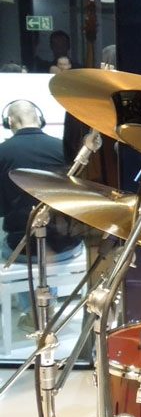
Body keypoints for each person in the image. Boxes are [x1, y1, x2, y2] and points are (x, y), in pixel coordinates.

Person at [0, 100, 82, 328]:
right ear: (39, 119)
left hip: (23, 249)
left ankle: (32, 311)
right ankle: (48, 302)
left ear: (10, 122)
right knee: (46, 244)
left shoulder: (2, 153)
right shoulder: (63, 149)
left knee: (11, 245)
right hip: (67, 246)